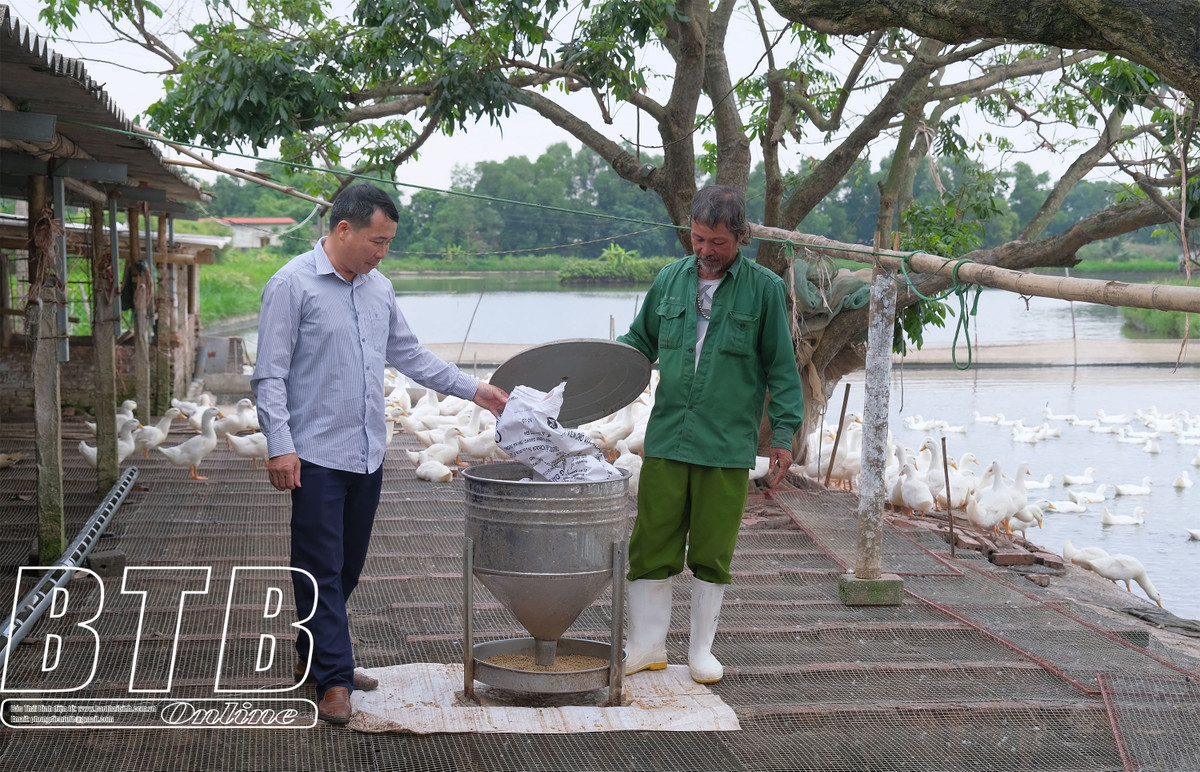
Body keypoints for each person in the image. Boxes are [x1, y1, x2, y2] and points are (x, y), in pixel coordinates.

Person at [251, 184, 508, 724]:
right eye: (378, 241)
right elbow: (269, 374)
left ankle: (318, 658)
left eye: (389, 243)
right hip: (315, 454)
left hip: (368, 451)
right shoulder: (291, 285)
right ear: (343, 229)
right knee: (318, 567)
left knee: (346, 568)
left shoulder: (378, 289)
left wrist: (474, 390)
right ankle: (336, 679)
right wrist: (280, 446)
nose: (382, 252)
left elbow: (410, 355)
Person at [617, 185, 804, 684]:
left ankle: (701, 652)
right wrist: (603, 368)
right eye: (698, 239)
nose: (705, 251)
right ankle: (646, 646)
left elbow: (782, 370)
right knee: (650, 541)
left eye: (717, 242)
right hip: (668, 437)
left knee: (713, 549)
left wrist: (783, 435)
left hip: (726, 443)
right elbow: (638, 342)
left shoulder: (763, 289)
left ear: (741, 237)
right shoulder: (669, 280)